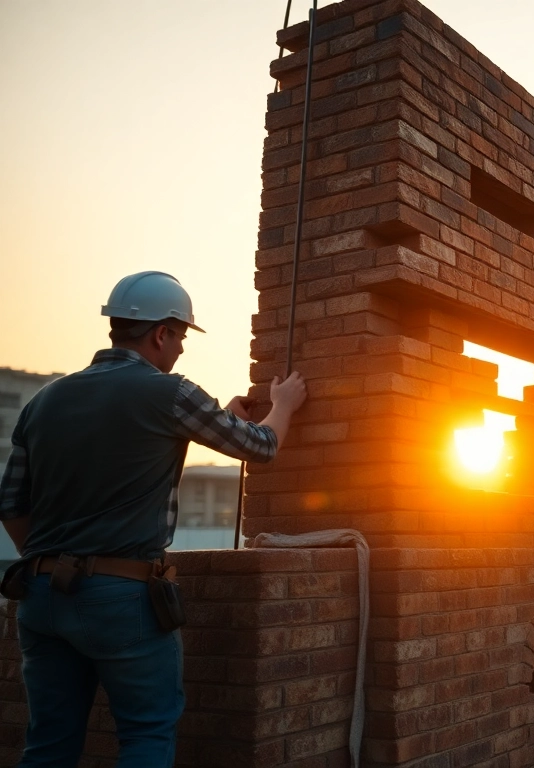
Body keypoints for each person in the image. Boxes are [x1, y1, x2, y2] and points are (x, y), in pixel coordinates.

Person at [0, 271, 308, 767]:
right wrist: (284, 406)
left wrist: (51, 559)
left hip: (41, 594)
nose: (182, 349)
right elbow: (262, 446)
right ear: (160, 333)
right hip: (123, 597)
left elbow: (11, 504)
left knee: (49, 745)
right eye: (181, 335)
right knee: (145, 736)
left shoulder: (45, 400)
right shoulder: (170, 392)